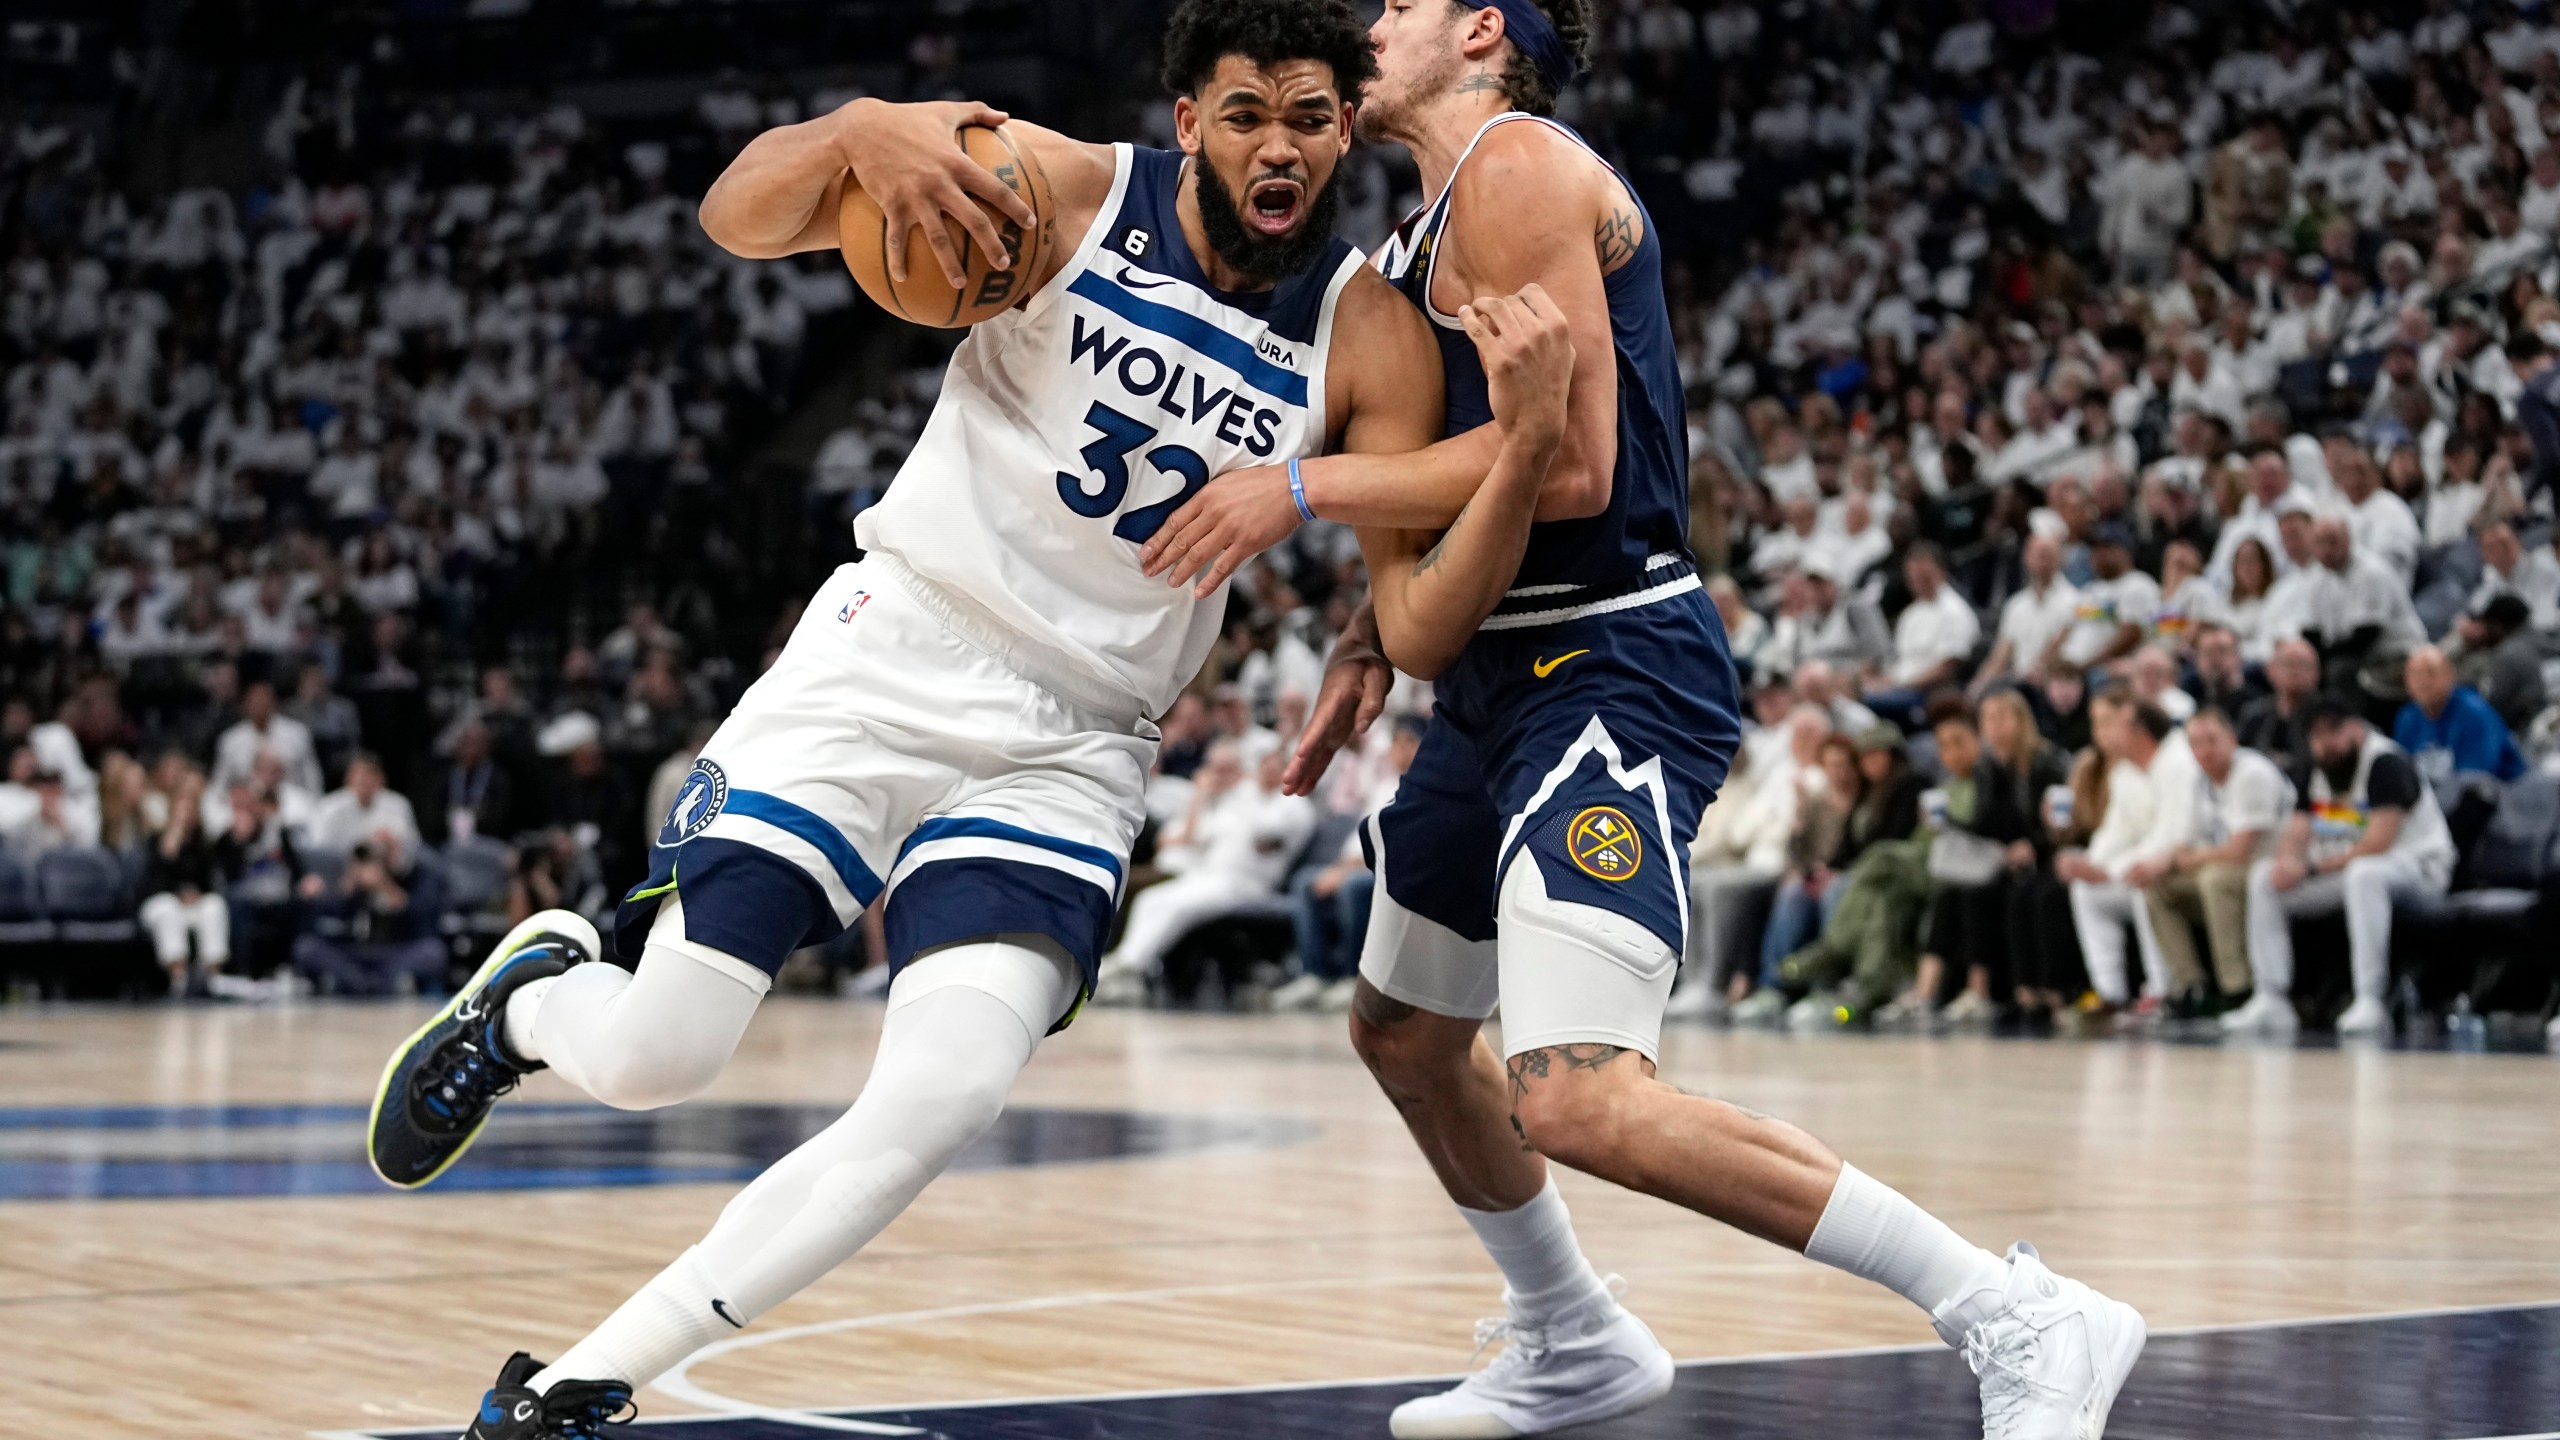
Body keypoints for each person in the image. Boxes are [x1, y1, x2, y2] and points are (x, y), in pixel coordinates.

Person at [367, 7, 1513, 1436]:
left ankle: (581, 1384)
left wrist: (1364, 524)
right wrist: (856, 129)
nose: (1275, 145)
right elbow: (737, 220)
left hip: (1078, 741)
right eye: (1242, 113)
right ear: (1185, 126)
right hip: (895, 653)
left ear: (1345, 131)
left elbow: (1409, 594)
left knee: (941, 1098)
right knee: (664, 1052)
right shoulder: (1066, 189)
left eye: (1304, 117)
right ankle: (531, 1001)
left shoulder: (1372, 335)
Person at [1173, 5, 2141, 1433]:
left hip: (1613, 661)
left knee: (1579, 1097)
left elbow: (1567, 470)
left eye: (1394, 4)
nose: (1360, 18)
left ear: (1480, 27)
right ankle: (1571, 1338)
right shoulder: (1411, 244)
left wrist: (1302, 493)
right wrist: (1371, 626)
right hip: (1491, 679)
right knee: (1405, 1031)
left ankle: (2019, 1314)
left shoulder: (1518, 164)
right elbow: (1473, 483)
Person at [2225, 694, 2458, 1039]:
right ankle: (2271, 999)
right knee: (2265, 878)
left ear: (2356, 729)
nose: (2325, 743)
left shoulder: (2386, 762)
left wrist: (2312, 870)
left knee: (2366, 874)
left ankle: (2370, 999)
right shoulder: (2317, 768)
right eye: (2316, 736)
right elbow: (2297, 832)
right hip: (2345, 872)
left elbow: (2377, 843)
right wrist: (2289, 861)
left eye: (2333, 732)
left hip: (2418, 869)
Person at [1907, 689, 2065, 1024]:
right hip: (2006, 858)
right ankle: (1928, 993)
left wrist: (2033, 845)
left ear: (2022, 720)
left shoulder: (2046, 762)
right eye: (1987, 719)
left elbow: (2057, 824)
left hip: (2046, 856)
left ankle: (2012, 989)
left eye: (2000, 717)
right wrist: (1946, 823)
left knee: (1997, 894)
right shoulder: (1989, 769)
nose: (1992, 726)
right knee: (1952, 894)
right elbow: (1985, 825)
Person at [2141, 707, 2291, 1018]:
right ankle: (2191, 987)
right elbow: (2186, 839)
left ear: (2232, 739)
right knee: (2158, 886)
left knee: (2216, 879)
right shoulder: (2200, 781)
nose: (2204, 750)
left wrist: (2189, 858)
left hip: (2270, 866)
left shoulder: (2253, 773)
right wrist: (2160, 863)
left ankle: (2237, 989)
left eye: (2212, 740)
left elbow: (2239, 849)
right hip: (2225, 866)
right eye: (2195, 743)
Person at [2055, 685, 2191, 1016]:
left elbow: (2174, 835)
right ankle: (2109, 992)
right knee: (2086, 889)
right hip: (2137, 866)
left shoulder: (2178, 763)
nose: (2104, 734)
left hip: (2179, 863)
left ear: (2139, 730)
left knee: (2144, 881)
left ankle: (2162, 990)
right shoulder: (2125, 772)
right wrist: (2089, 864)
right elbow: (2116, 831)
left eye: (2113, 724)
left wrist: (2111, 870)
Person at [2393, 645, 2526, 787]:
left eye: (2431, 672)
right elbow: (2404, 776)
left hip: (2503, 795)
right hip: (2443, 800)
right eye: (2415, 675)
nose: (2423, 681)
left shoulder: (2474, 713)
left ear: (2449, 674)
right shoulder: (2407, 718)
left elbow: (2475, 782)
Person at [1971, 530, 2078, 696]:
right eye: (2037, 553)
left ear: (2060, 558)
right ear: (2026, 558)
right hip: (2020, 684)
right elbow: (2001, 656)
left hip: (2058, 684)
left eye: (2048, 553)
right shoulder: (2016, 606)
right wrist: (1977, 687)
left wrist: (2043, 671)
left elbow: (2076, 652)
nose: (2042, 558)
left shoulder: (2077, 602)